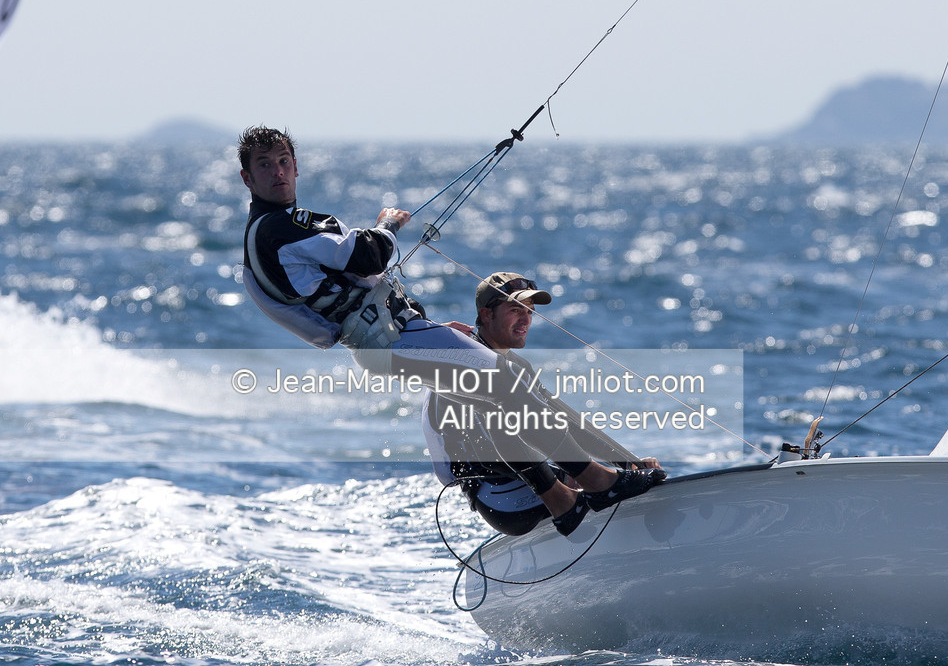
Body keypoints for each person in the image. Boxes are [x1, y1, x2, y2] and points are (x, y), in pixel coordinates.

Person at [236, 125, 662, 536]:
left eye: (284, 161)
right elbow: (367, 256)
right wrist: (387, 224)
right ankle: (594, 485)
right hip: (391, 341)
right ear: (247, 177)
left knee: (504, 394)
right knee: (508, 388)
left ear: (296, 167)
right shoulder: (279, 226)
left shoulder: (261, 234)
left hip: (386, 340)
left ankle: (583, 489)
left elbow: (346, 301)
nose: (277, 172)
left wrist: (429, 329)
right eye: (265, 165)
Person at [426, 271, 664, 536]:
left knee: (596, 473)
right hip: (497, 497)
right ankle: (568, 506)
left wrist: (626, 462)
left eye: (529, 312)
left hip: (515, 487)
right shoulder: (466, 358)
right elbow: (481, 445)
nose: (525, 320)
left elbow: (565, 419)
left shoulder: (515, 366)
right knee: (589, 481)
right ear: (486, 315)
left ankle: (584, 496)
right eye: (515, 310)